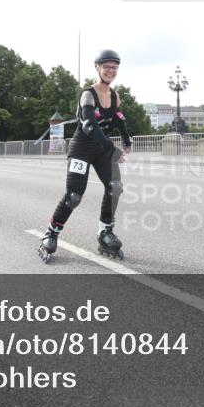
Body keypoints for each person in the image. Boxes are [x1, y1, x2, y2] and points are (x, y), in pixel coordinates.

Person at [38, 49, 132, 263]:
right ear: (97, 68)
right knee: (74, 195)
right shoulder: (88, 95)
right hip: (82, 148)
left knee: (115, 187)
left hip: (101, 150)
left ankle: (105, 232)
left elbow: (119, 119)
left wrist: (127, 140)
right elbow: (89, 126)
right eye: (106, 67)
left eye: (114, 67)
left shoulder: (115, 95)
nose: (110, 71)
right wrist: (113, 149)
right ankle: (51, 233)